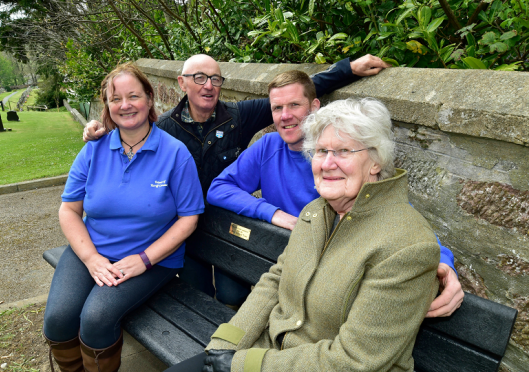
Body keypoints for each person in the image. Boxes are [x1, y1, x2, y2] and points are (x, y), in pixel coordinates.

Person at [82, 54, 391, 306]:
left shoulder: (238, 117)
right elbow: (129, 134)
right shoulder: (164, 131)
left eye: (215, 79)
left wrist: (346, 68)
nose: (208, 85)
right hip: (181, 228)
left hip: (224, 224)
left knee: (230, 293)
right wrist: (100, 130)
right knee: (198, 295)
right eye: (199, 78)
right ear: (182, 83)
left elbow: (300, 91)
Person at [165, 98, 440, 372]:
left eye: (343, 150)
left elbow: (356, 359)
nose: (328, 163)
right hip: (270, 350)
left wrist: (242, 364)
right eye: (321, 151)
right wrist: (226, 343)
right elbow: (275, 280)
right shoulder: (316, 211)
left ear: (376, 161)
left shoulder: (406, 244)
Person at [207, 70, 464, 317]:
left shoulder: (349, 165)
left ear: (314, 106)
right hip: (280, 264)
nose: (285, 116)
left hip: (325, 281)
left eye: (295, 105)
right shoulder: (268, 147)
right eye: (277, 108)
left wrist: (443, 263)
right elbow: (219, 188)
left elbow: (397, 214)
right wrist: (274, 213)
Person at [42, 63, 204, 372]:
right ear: (107, 106)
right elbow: (69, 209)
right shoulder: (93, 150)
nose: (125, 105)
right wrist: (90, 258)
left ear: (149, 98)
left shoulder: (174, 153)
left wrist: (143, 259)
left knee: (96, 318)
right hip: (92, 251)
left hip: (151, 260)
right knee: (58, 319)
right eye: (115, 99)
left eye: (133, 96)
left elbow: (188, 220)